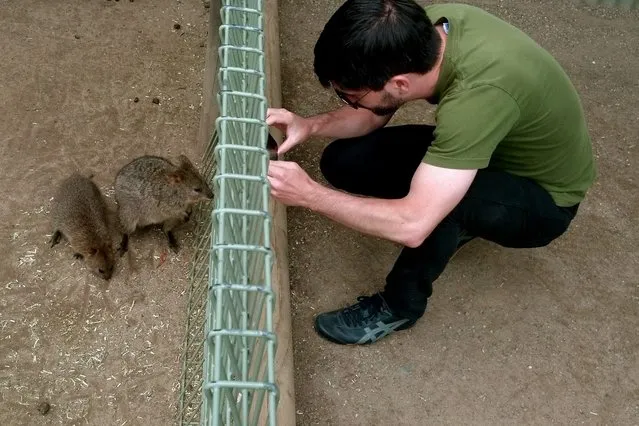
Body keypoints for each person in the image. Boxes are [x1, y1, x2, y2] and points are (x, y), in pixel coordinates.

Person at [265, 0, 597, 345]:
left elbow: (412, 225)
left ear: (399, 85)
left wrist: (309, 196)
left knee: (445, 210)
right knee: (344, 161)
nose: (349, 102)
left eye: (350, 96)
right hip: (493, 146)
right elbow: (374, 111)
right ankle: (451, 204)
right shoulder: (432, 27)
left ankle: (399, 307)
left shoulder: (475, 101)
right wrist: (310, 125)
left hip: (544, 199)